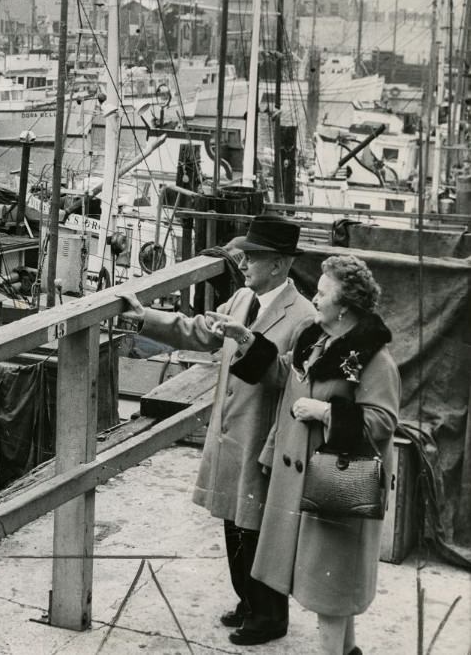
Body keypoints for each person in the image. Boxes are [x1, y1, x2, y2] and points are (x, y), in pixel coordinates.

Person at [120, 215, 315, 646]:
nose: (243, 262)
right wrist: (144, 317)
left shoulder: (305, 317)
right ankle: (247, 601)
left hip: (263, 438)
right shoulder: (245, 297)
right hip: (230, 432)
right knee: (233, 520)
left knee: (260, 528)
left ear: (280, 266)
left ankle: (269, 616)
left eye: (254, 257)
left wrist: (247, 341)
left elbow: (290, 378)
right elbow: (201, 332)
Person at [215, 254, 399, 655]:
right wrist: (245, 337)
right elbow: (283, 376)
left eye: (322, 292)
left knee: (329, 589)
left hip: (335, 485)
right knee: (326, 584)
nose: (314, 298)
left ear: (346, 304)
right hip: (299, 482)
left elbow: (383, 422)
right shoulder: (313, 338)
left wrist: (327, 412)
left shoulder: (373, 359)